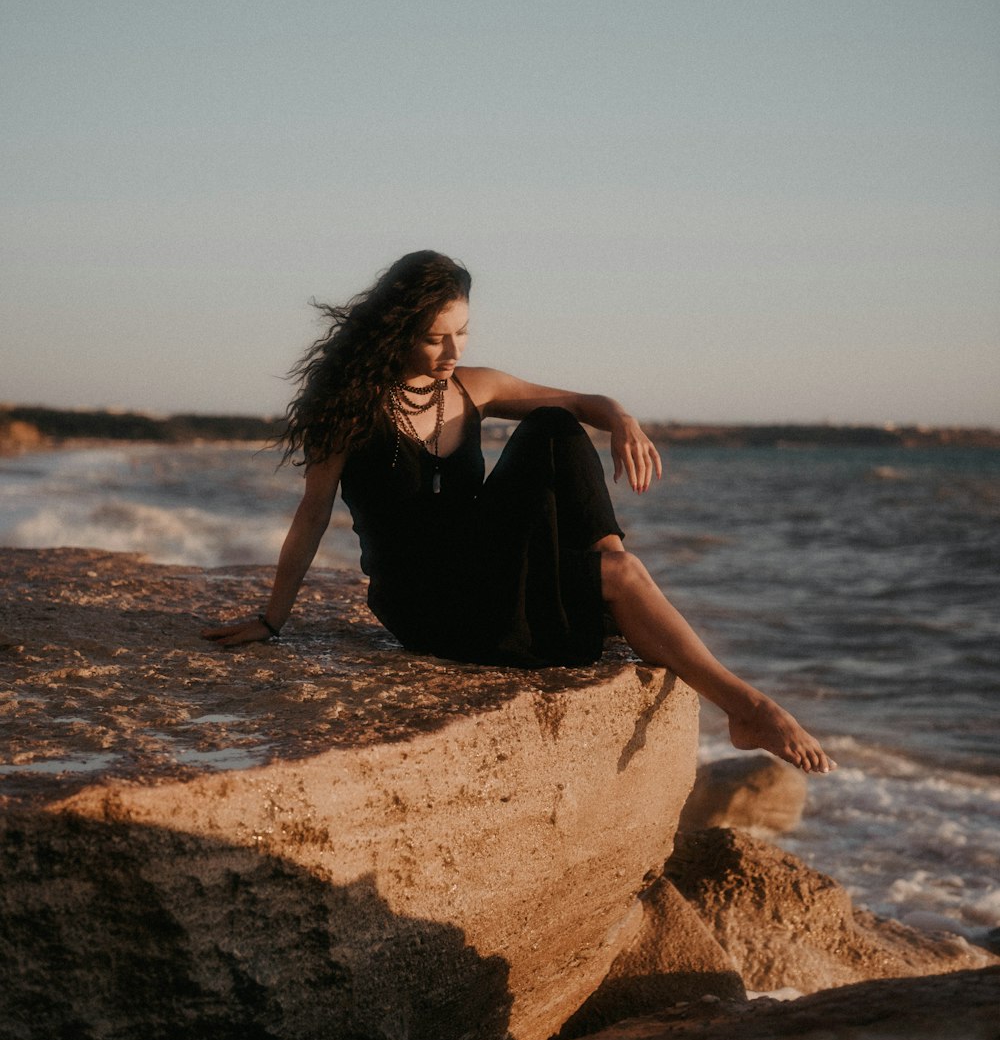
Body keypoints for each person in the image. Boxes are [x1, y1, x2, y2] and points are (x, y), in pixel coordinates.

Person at [203, 251, 836, 774]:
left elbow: (581, 402)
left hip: (488, 566)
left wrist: (622, 418)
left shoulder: (472, 387)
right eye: (434, 338)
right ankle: (747, 705)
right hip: (430, 602)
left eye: (463, 332)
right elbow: (313, 514)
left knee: (556, 426)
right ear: (396, 331)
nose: (452, 351)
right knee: (625, 576)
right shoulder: (350, 411)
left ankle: (608, 586)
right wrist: (272, 617)